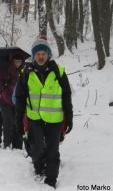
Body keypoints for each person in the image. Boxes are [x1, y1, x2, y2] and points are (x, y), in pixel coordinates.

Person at [15, 36, 73, 188]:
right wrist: (18, 120)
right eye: (38, 54)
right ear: (34, 56)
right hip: (35, 119)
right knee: (38, 148)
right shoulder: (26, 73)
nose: (41, 57)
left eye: (43, 54)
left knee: (53, 151)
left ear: (48, 55)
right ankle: (39, 167)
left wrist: (70, 118)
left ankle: (51, 180)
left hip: (55, 119)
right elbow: (20, 98)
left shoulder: (59, 72)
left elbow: (66, 96)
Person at [0, 54, 24, 149]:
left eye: (20, 61)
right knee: (8, 122)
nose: (18, 63)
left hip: (18, 102)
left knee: (18, 123)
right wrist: (5, 83)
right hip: (5, 101)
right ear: (12, 62)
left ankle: (18, 146)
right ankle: (7, 144)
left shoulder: (23, 72)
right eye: (16, 61)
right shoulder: (5, 72)